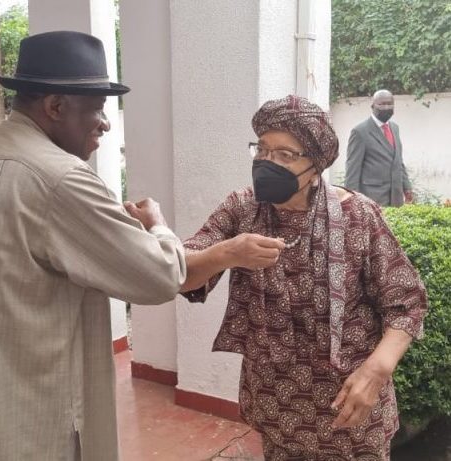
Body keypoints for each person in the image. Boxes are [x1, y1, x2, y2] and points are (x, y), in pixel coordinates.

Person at [0, 31, 186, 461]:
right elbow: (161, 275)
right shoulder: (60, 178)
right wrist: (158, 226)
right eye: (96, 107)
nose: (105, 122)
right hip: (23, 417)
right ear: (56, 107)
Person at [181, 95, 427, 460]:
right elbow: (181, 273)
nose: (267, 162)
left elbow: (406, 304)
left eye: (285, 154)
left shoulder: (358, 216)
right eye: (262, 149)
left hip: (351, 411)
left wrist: (376, 371)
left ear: (316, 166)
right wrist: (226, 254)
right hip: (276, 409)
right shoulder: (242, 209)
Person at [345, 89, 413, 207]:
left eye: (389, 104)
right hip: (372, 198)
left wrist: (407, 187)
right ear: (372, 106)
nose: (386, 107)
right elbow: (353, 170)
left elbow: (398, 161)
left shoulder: (395, 128)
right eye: (382, 104)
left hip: (395, 198)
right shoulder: (360, 132)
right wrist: (352, 201)